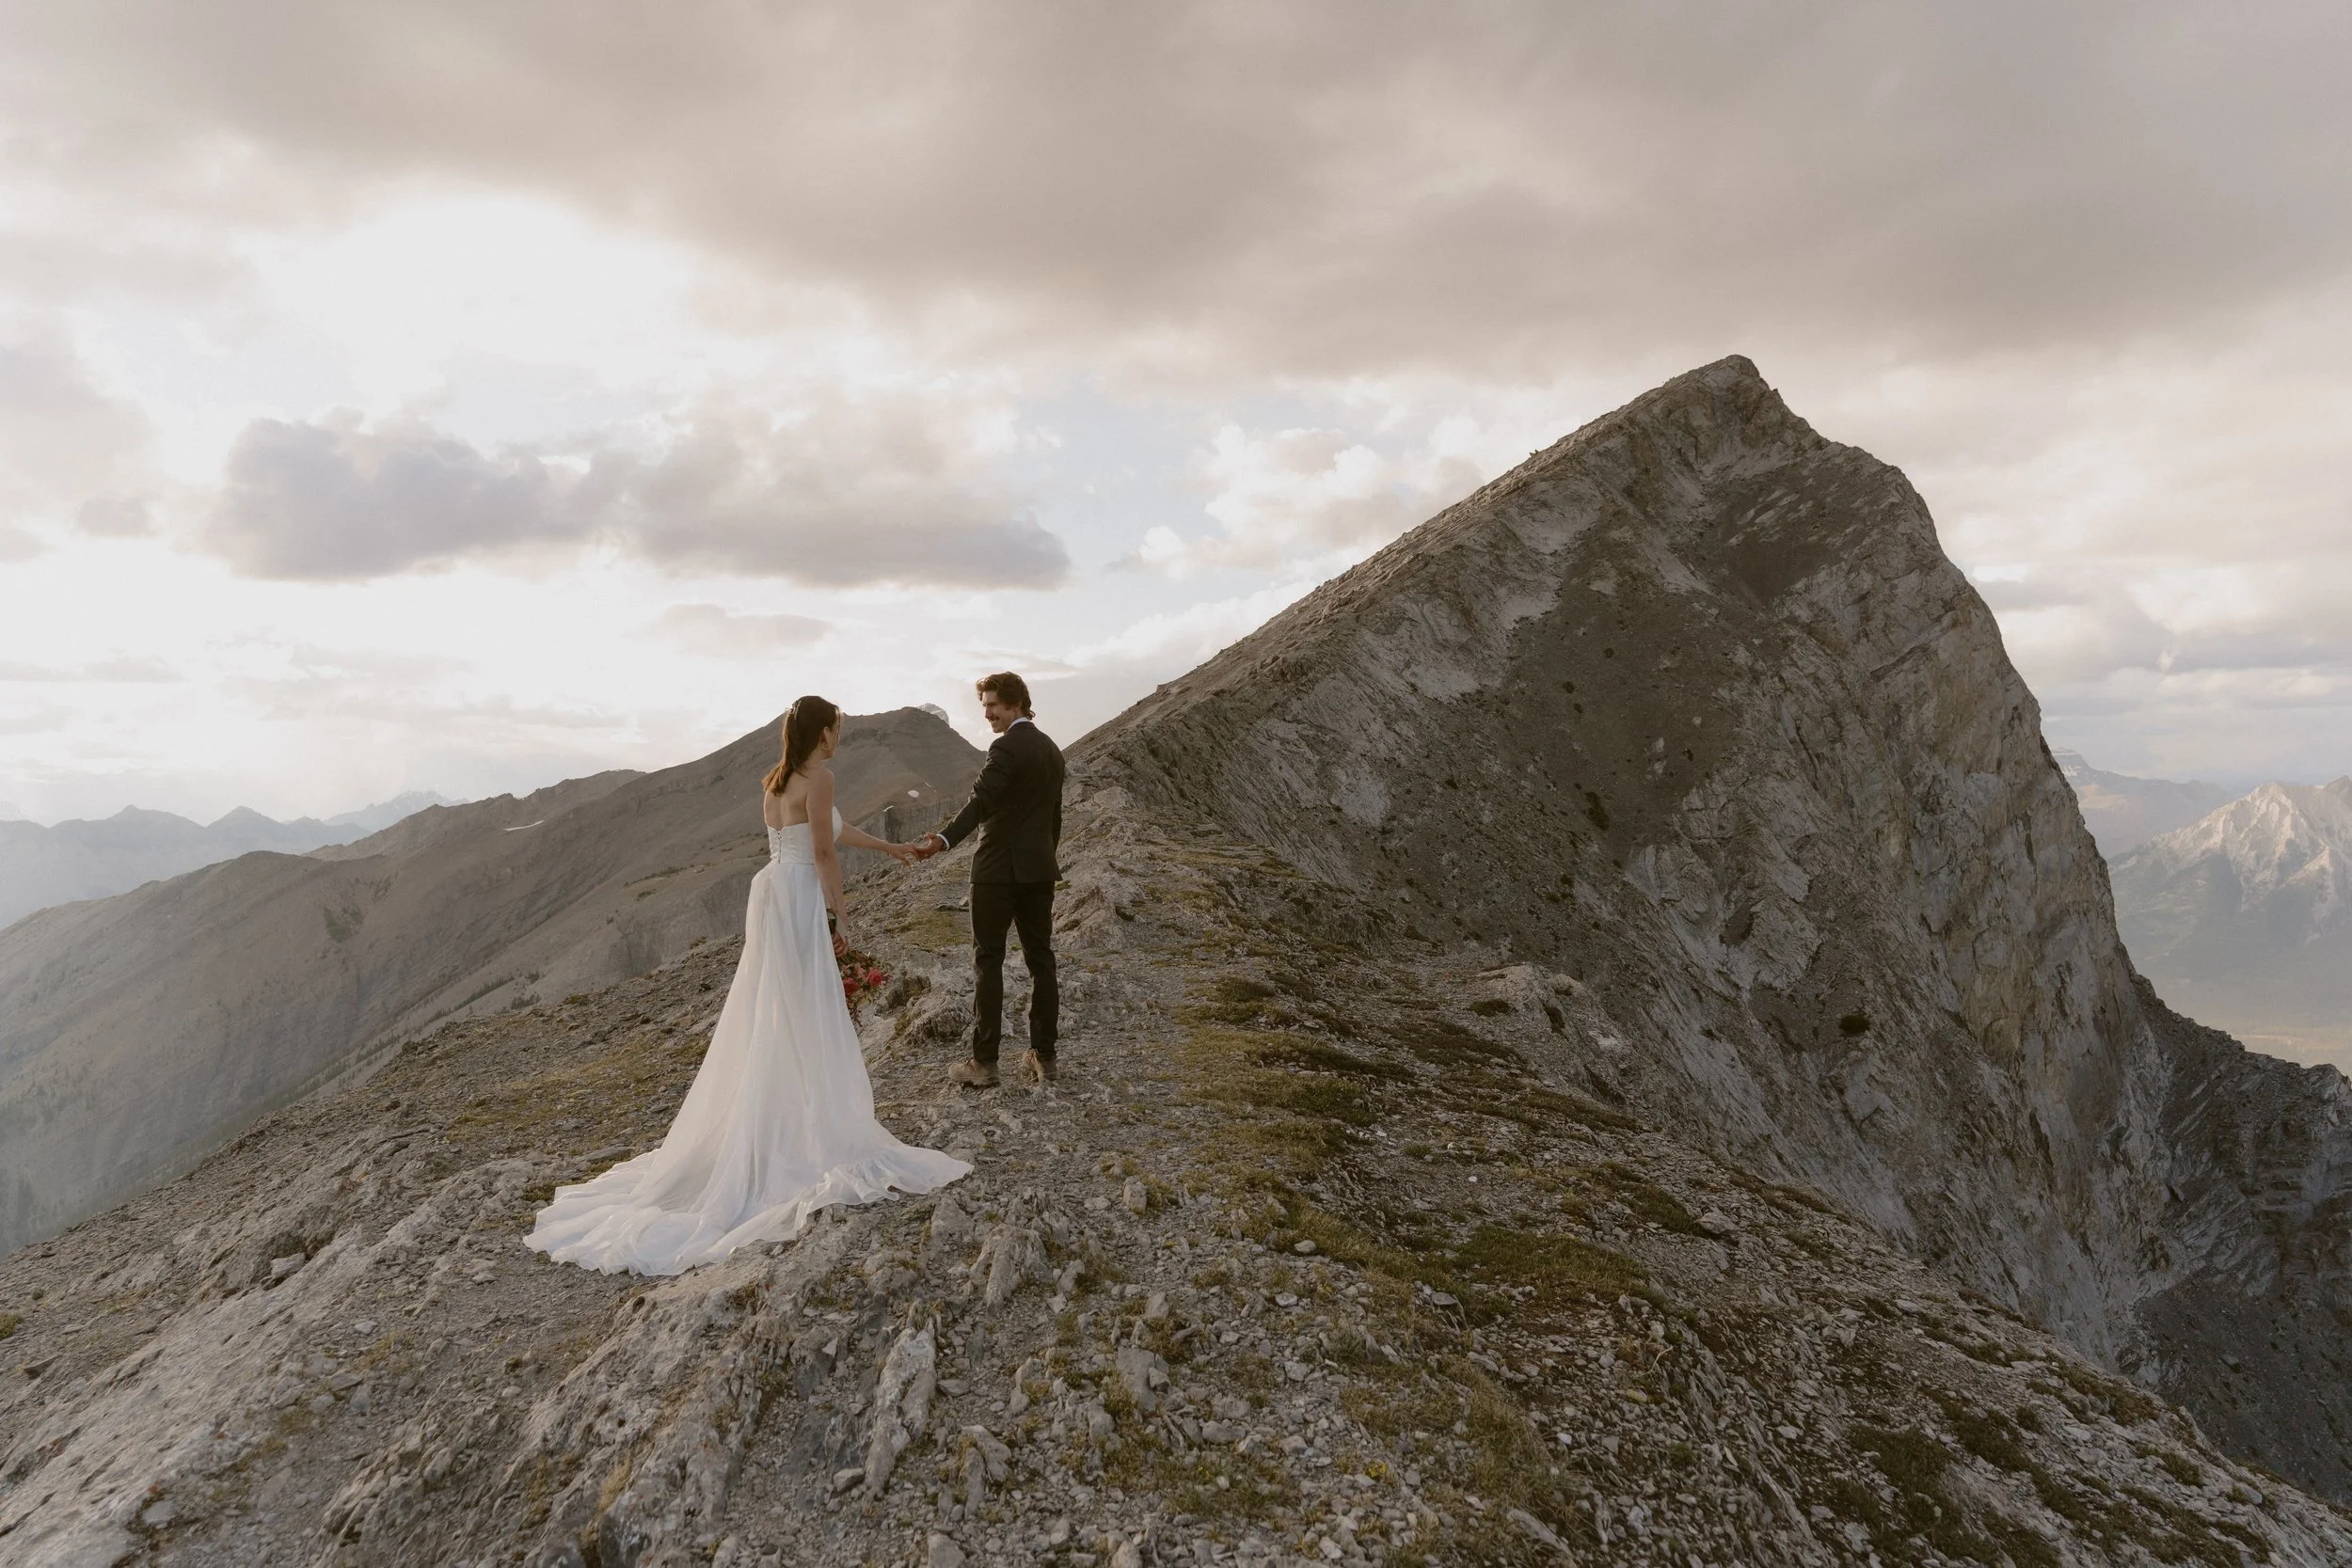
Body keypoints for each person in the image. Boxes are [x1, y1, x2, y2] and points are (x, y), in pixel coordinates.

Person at [526, 696, 967, 1275]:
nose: (839, 737)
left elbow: (830, 832)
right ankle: (807, 1125)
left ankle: (784, 1117)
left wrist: (891, 848)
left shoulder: (776, 783)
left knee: (778, 1010)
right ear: (822, 733)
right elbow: (822, 850)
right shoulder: (821, 779)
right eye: (836, 728)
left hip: (772, 895)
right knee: (806, 1010)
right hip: (800, 898)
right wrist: (840, 915)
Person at [914, 672, 1066, 1088]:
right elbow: (1053, 817)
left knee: (988, 962)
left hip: (996, 871)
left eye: (993, 706)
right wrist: (1043, 858)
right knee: (1042, 960)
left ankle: (984, 1063)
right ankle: (1045, 1056)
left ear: (1016, 704)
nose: (987, 714)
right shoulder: (1052, 749)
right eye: (985, 706)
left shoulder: (1004, 747)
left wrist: (943, 840)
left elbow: (979, 803)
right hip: (1038, 871)